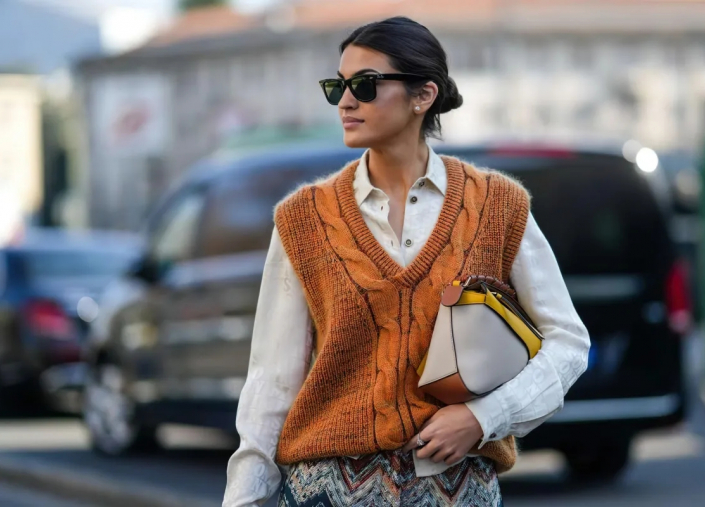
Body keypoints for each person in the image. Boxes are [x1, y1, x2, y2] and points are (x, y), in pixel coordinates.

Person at [223, 16, 590, 507]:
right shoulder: (303, 218)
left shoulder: (497, 205)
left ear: (423, 95)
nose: (346, 101)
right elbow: (271, 380)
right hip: (326, 493)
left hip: (457, 491)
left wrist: (484, 417)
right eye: (338, 86)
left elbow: (568, 343)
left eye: (366, 85)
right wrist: (243, 499)